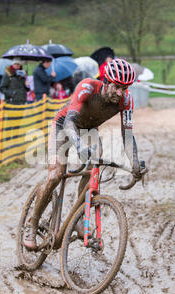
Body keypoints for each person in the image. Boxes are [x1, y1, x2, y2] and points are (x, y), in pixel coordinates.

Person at [22, 58, 144, 250]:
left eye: (125, 88)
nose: (120, 93)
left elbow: (128, 136)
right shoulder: (87, 87)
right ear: (106, 81)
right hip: (64, 125)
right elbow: (70, 122)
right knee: (55, 175)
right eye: (117, 87)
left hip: (89, 130)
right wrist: (78, 146)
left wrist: (136, 163)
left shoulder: (126, 100)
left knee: (93, 174)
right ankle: (32, 223)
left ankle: (78, 218)